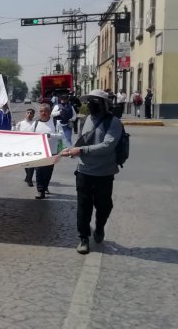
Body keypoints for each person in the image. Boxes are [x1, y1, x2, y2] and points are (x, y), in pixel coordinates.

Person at [60, 89, 123, 255]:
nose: (90, 104)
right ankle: (83, 238)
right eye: (89, 101)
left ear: (104, 104)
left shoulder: (114, 122)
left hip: (104, 173)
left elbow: (108, 145)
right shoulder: (87, 119)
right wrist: (71, 150)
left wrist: (81, 150)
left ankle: (100, 226)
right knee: (83, 206)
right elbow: (81, 140)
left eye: (95, 101)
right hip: (83, 171)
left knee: (104, 206)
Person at [31, 104, 62, 199]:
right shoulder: (35, 124)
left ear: (49, 112)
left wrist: (50, 135)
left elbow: (61, 135)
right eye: (41, 111)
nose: (43, 113)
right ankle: (40, 191)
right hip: (39, 152)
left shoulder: (56, 123)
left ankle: (45, 186)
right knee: (39, 171)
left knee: (48, 172)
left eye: (45, 111)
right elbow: (29, 136)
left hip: (51, 152)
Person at [15, 108, 37, 187]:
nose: (29, 114)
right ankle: (28, 176)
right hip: (23, 146)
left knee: (31, 163)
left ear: (33, 115)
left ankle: (29, 179)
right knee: (25, 163)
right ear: (25, 113)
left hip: (32, 146)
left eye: (31, 113)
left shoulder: (35, 123)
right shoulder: (20, 123)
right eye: (28, 112)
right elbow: (15, 133)